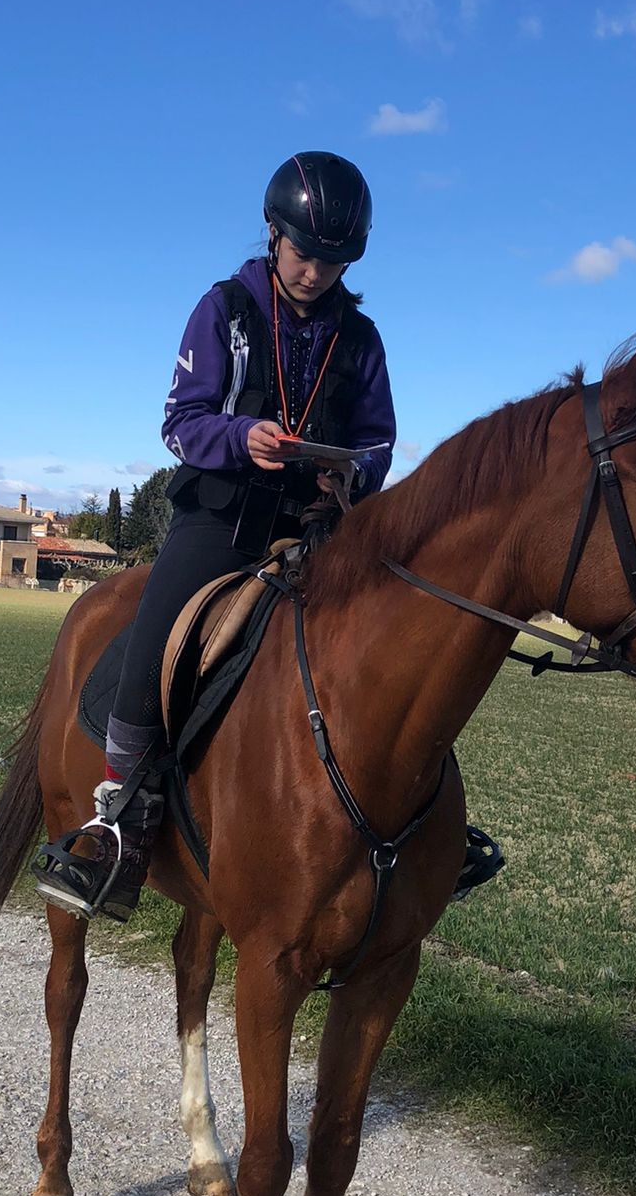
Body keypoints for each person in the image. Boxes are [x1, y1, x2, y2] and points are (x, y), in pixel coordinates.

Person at [32, 151, 396, 923]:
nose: (314, 273)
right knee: (151, 637)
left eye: (333, 261)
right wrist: (243, 438)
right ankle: (117, 824)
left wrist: (352, 476)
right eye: (304, 254)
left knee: (399, 645)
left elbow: (380, 442)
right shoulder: (223, 310)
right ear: (273, 233)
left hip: (321, 528)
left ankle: (418, 822)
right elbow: (179, 421)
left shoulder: (361, 340)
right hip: (223, 519)